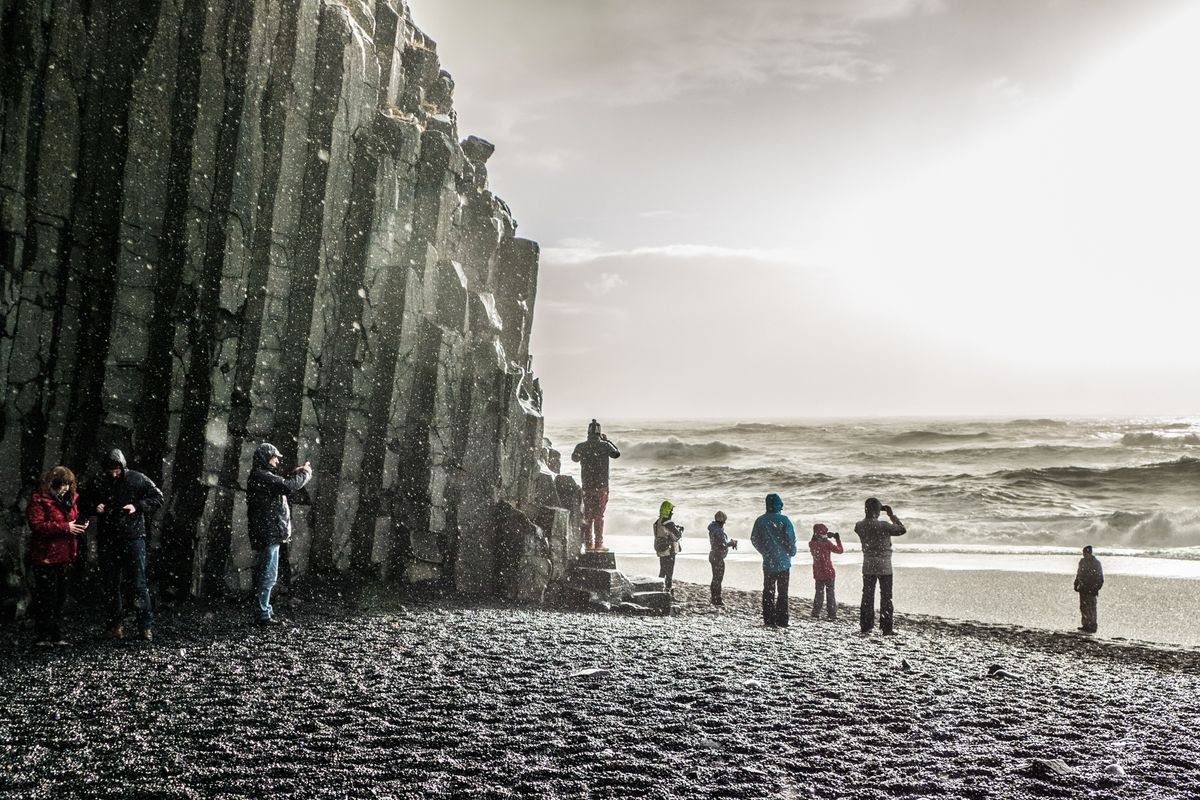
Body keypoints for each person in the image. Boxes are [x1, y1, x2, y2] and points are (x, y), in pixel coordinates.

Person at [80, 449, 164, 641]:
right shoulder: (98, 481)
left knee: (138, 583)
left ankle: (144, 627)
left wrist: (138, 506)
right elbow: (83, 502)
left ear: (123, 467)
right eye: (110, 470)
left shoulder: (137, 479)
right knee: (111, 584)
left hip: (133, 538)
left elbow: (158, 498)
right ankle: (115, 626)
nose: (113, 473)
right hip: (109, 539)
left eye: (116, 469)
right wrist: (94, 507)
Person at [247, 443, 312, 626]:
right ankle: (262, 614)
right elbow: (287, 486)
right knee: (267, 574)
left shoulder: (261, 476)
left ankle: (263, 611)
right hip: (268, 533)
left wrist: (295, 473)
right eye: (274, 457)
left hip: (267, 533)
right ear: (266, 458)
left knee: (267, 573)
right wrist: (305, 473)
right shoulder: (262, 476)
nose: (277, 460)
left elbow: (281, 484)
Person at [26, 466, 88, 646]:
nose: (65, 488)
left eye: (68, 484)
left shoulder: (69, 500)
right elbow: (37, 526)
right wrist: (66, 527)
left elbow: (71, 519)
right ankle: (43, 635)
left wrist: (79, 525)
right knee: (47, 597)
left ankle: (54, 634)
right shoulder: (39, 501)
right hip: (45, 556)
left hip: (64, 555)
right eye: (62, 485)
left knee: (59, 598)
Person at [853, 498, 906, 635]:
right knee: (886, 597)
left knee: (867, 596)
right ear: (878, 511)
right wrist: (891, 515)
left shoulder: (859, 525)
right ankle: (886, 627)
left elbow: (863, 526)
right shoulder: (884, 525)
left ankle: (866, 625)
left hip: (868, 564)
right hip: (884, 566)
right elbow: (902, 530)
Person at [571, 419, 621, 552]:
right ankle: (598, 544)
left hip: (587, 486)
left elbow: (574, 458)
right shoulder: (605, 445)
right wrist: (608, 441)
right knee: (599, 515)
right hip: (602, 486)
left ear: (588, 433)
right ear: (599, 433)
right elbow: (616, 454)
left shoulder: (581, 446)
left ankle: (588, 544)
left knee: (588, 516)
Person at [750, 493, 797, 629]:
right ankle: (782, 619)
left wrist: (764, 551)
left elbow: (754, 539)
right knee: (783, 592)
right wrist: (792, 551)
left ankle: (769, 619)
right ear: (779, 504)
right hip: (783, 562)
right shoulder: (784, 520)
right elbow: (790, 538)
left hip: (769, 561)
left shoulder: (760, 520)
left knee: (768, 591)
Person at [809, 523, 843, 621]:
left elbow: (815, 540)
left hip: (818, 572)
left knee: (819, 594)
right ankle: (831, 614)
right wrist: (837, 539)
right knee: (830, 594)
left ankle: (816, 613)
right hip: (829, 572)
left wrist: (825, 536)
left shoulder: (812, 544)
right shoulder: (827, 543)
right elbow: (840, 550)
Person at [707, 510, 738, 607]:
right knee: (718, 579)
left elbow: (719, 544)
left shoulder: (713, 529)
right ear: (722, 521)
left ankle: (714, 598)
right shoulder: (719, 531)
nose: (725, 523)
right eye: (724, 521)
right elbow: (722, 545)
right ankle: (717, 599)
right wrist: (731, 543)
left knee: (715, 578)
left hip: (713, 555)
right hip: (718, 556)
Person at [653, 500, 683, 593]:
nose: (672, 513)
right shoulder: (668, 522)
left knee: (662, 570)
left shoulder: (658, 521)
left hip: (661, 548)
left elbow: (660, 533)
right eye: (671, 510)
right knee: (669, 572)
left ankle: (659, 589)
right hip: (669, 550)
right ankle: (667, 591)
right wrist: (680, 530)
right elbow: (676, 536)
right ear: (668, 511)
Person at [1074, 545, 1104, 634]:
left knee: (1091, 607)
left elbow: (1100, 577)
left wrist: (1096, 588)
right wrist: (1076, 583)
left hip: (1091, 588)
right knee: (1083, 607)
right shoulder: (1082, 562)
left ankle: (1092, 626)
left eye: (1085, 553)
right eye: (1083, 553)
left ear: (1089, 553)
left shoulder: (1096, 563)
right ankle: (1085, 624)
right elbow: (1078, 573)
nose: (1084, 555)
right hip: (1083, 587)